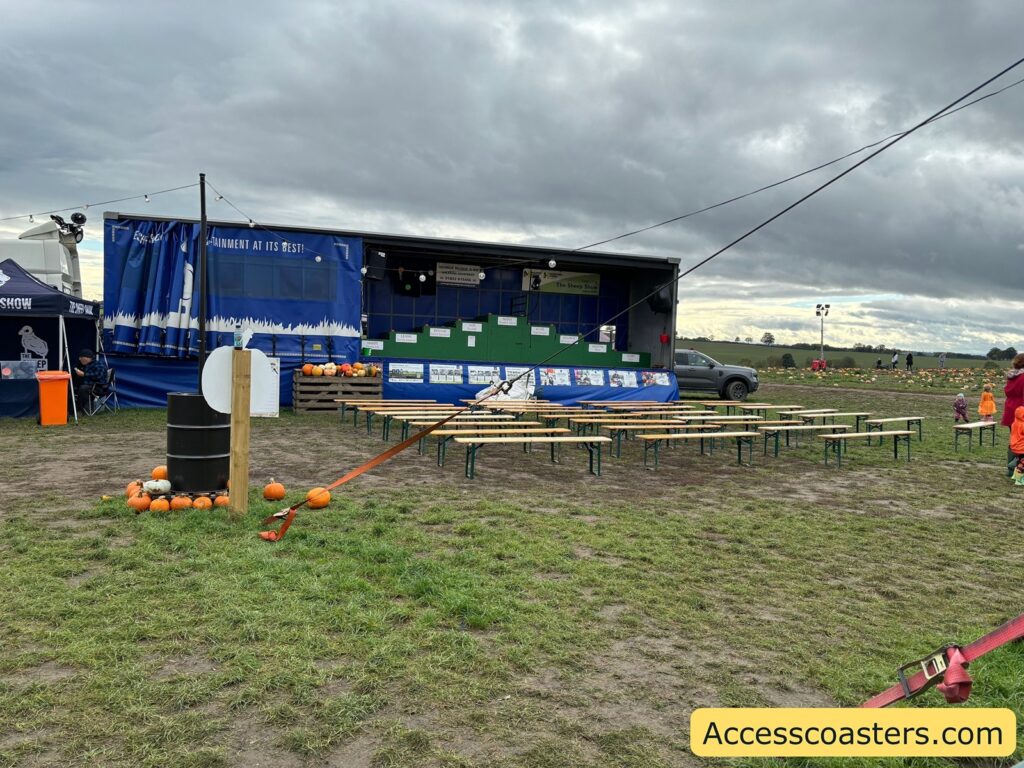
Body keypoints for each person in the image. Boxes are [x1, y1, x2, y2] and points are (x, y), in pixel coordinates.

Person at [1002, 353, 1024, 476]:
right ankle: (1017, 468)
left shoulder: (1012, 376)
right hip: (1022, 412)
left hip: (1011, 411)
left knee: (1015, 440)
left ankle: (1011, 470)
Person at [1010, 406, 1024, 485]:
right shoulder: (1022, 425)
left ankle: (1015, 475)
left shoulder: (1014, 423)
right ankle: (1019, 480)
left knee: (1019, 460)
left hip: (1015, 447)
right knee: (1022, 463)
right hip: (1022, 447)